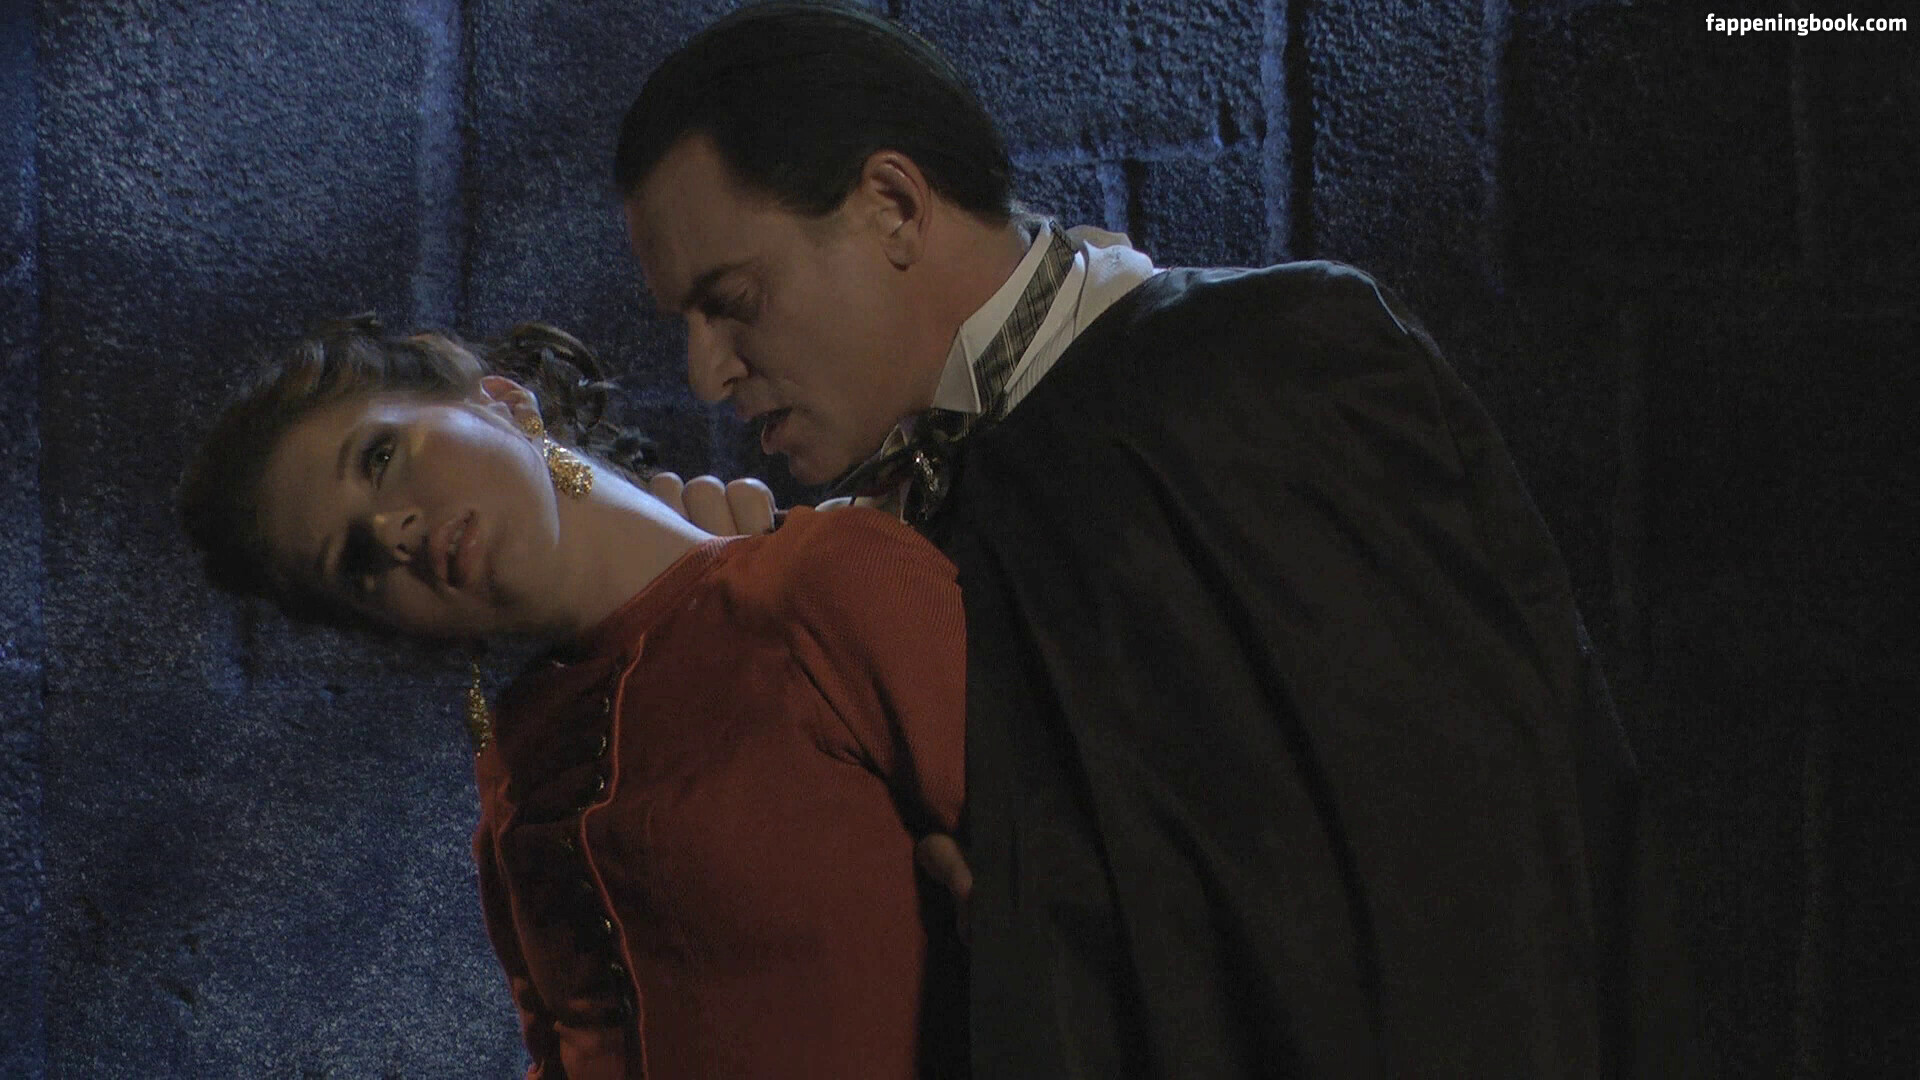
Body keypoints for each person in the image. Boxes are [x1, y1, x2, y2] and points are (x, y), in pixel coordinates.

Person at [615, 2, 1694, 1077]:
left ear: (893, 205)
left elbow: (1463, 903)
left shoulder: (1272, 373)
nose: (707, 374)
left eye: (734, 301)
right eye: (685, 325)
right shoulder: (883, 537)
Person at [179, 316, 969, 1079]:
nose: (392, 531)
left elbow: (1032, 906)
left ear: (499, 399)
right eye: (354, 563)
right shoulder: (517, 780)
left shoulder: (820, 586)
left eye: (380, 457)